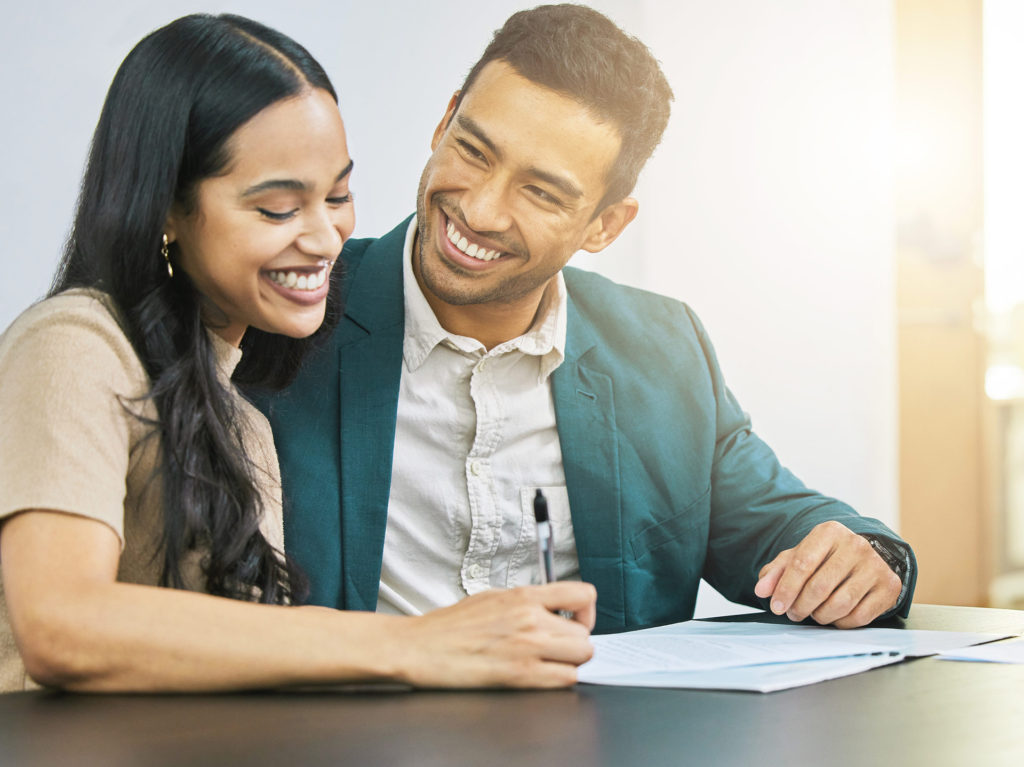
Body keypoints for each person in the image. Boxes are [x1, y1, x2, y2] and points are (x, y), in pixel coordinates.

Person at [261, 4, 917, 634]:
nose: (481, 210)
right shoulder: (284, 310)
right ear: (444, 124)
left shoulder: (662, 350)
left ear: (605, 224)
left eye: (541, 192)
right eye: (475, 151)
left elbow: (779, 523)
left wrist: (867, 559)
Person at [0, 13, 596, 694]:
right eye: (279, 209)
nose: (325, 238)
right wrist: (413, 641)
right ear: (166, 208)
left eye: (338, 196)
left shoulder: (243, 418)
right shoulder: (75, 346)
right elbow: (60, 624)